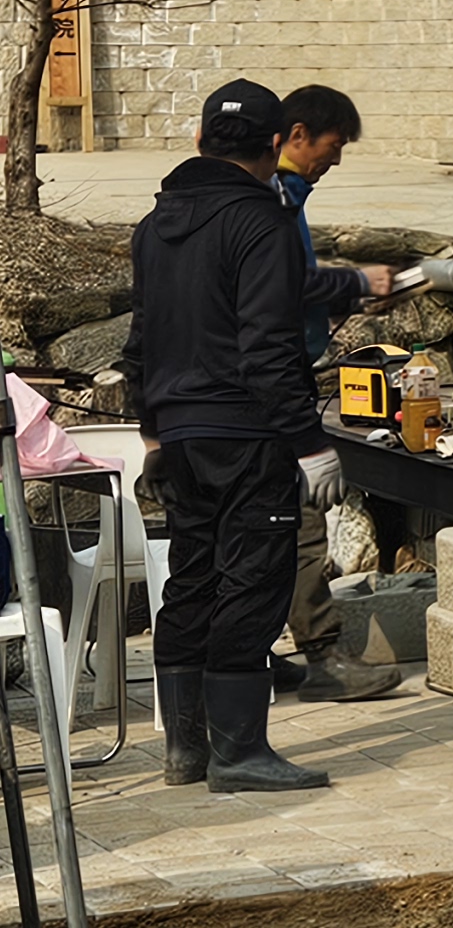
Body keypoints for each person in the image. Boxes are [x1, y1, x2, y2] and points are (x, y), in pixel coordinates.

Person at [120, 79, 334, 792]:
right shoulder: (262, 223)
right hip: (246, 434)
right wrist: (311, 445)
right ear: (275, 145)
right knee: (252, 583)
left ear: (200, 140)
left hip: (178, 437)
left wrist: (153, 434)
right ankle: (239, 755)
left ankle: (186, 752)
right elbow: (269, 350)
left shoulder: (153, 226)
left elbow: (141, 341)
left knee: (192, 580)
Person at [268, 84, 401, 703]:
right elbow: (284, 286)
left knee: (263, 532)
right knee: (298, 522)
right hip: (272, 387)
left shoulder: (274, 196)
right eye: (333, 145)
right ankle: (323, 656)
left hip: (255, 386)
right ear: (297, 135)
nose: (337, 158)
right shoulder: (270, 198)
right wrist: (355, 282)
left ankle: (251, 653)